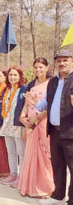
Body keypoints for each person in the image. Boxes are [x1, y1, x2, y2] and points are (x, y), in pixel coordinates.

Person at [38, 50, 73, 205]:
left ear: (72, 61)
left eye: (65, 60)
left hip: (71, 132)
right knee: (57, 166)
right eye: (59, 60)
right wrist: (36, 105)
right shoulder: (53, 81)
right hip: (54, 131)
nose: (62, 63)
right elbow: (48, 101)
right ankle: (57, 196)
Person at [18, 58, 54, 197]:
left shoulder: (51, 84)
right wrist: (22, 118)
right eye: (36, 67)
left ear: (47, 67)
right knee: (31, 155)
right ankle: (31, 187)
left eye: (41, 67)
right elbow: (27, 104)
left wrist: (38, 118)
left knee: (45, 157)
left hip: (44, 123)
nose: (38, 70)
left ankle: (46, 188)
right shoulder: (32, 85)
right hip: (31, 124)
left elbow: (50, 105)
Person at [0, 66, 27, 188]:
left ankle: (22, 177)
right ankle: (13, 174)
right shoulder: (6, 90)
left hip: (18, 125)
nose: (13, 77)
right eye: (11, 75)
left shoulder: (24, 89)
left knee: (21, 152)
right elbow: (0, 108)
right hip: (7, 124)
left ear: (20, 76)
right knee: (11, 151)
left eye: (15, 75)